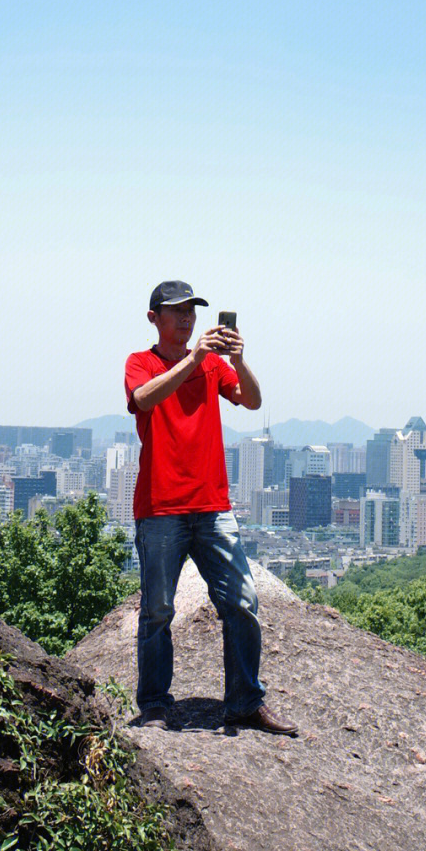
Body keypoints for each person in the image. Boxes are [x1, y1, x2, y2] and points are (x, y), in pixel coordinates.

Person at [123, 280, 297, 736]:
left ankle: (244, 702)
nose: (186, 319)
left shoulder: (215, 363)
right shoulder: (140, 363)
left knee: (242, 601)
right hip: (160, 507)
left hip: (213, 505)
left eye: (191, 311)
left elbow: (253, 400)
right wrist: (194, 360)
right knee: (158, 610)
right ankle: (156, 705)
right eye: (176, 311)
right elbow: (143, 399)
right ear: (153, 318)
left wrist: (237, 359)